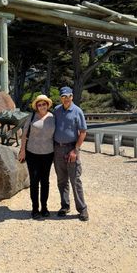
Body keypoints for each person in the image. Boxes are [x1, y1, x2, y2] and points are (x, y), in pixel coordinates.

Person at [53, 86, 89, 221]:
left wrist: (76, 150)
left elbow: (83, 132)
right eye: (63, 97)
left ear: (72, 97)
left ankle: (82, 209)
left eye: (68, 96)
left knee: (75, 180)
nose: (66, 99)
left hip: (71, 149)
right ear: (61, 98)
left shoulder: (77, 111)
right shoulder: (56, 110)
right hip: (57, 149)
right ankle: (65, 205)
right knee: (61, 180)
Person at [18, 94, 55, 219]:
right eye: (39, 105)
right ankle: (35, 209)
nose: (42, 106)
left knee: (45, 182)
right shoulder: (32, 117)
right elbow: (24, 135)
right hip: (32, 154)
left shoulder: (53, 117)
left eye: (44, 104)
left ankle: (44, 207)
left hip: (48, 154)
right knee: (34, 182)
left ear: (47, 105)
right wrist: (22, 150)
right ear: (36, 106)